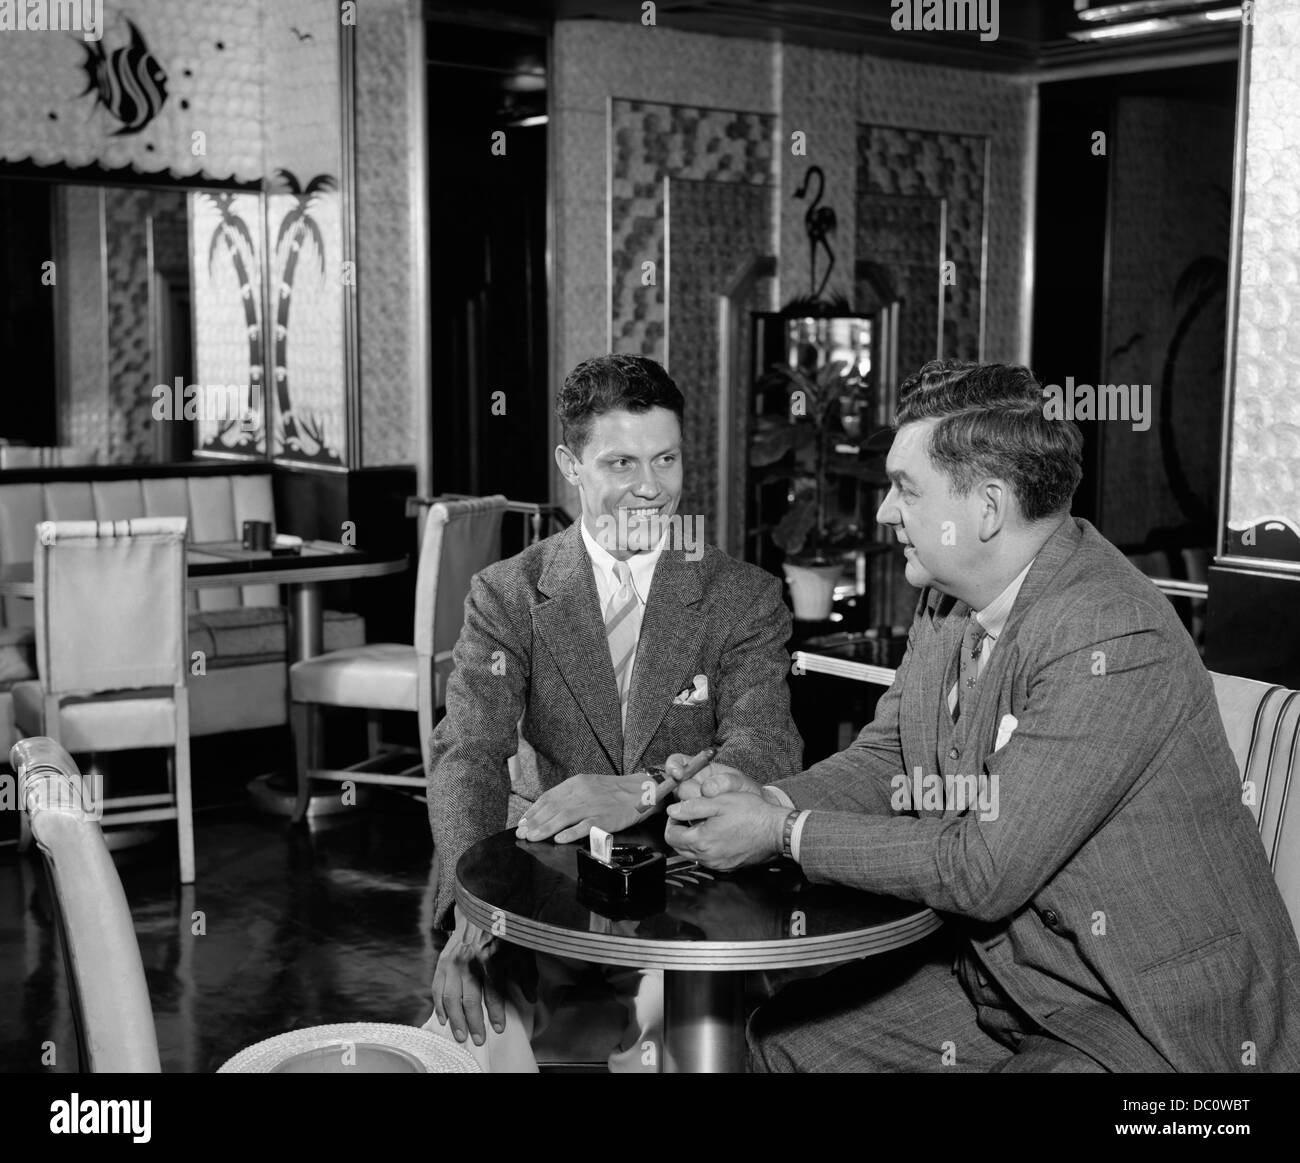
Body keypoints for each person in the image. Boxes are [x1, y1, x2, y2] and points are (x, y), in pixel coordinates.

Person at [665, 358, 1300, 1073]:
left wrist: (782, 832)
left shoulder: (1111, 633)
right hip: (1003, 985)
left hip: (1148, 1021)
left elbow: (984, 868)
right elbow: (889, 758)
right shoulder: (946, 598)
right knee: (784, 1043)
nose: (882, 512)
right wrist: (768, 796)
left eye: (905, 489)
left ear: (988, 508)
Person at [424, 353, 803, 1071]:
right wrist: (478, 901)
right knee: (468, 1042)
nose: (650, 488)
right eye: (621, 463)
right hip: (537, 892)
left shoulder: (742, 595)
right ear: (571, 463)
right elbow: (467, 754)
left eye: (666, 458)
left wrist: (644, 789)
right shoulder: (507, 593)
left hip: (693, 895)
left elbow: (768, 747)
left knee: (678, 1046)